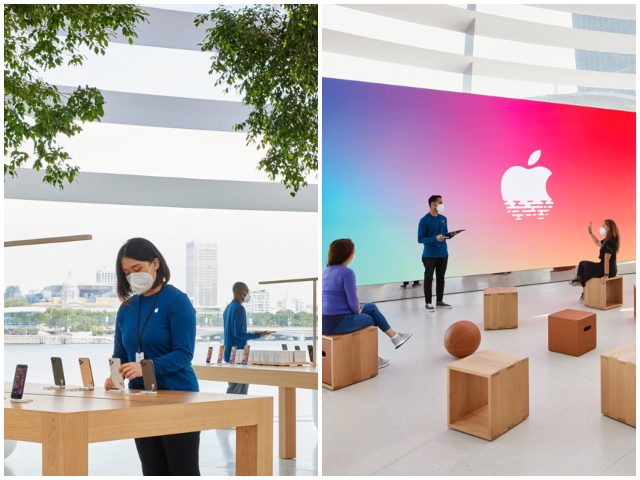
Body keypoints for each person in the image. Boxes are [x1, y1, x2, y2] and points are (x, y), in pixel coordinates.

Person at [105, 237, 200, 476]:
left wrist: (145, 367)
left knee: (183, 470)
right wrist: (115, 376)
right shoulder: (126, 308)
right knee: (152, 471)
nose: (131, 276)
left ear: (155, 263)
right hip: (141, 400)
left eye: (136, 269)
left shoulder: (177, 301)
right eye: (126, 272)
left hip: (179, 397)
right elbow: (120, 353)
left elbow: (184, 355)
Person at [322, 238, 413, 368]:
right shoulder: (347, 272)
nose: (354, 254)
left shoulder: (326, 270)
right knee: (371, 318)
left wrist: (357, 309)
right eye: (353, 251)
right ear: (347, 253)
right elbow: (353, 301)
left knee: (370, 306)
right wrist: (357, 311)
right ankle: (373, 358)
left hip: (325, 321)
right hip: (338, 322)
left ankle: (395, 336)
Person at [223, 282, 269, 394]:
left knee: (235, 387)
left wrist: (250, 333)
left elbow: (234, 331)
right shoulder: (239, 309)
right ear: (241, 292)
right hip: (238, 355)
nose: (248, 294)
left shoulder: (227, 308)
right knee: (238, 391)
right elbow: (238, 333)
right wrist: (258, 335)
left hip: (229, 353)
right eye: (247, 291)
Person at [418, 195, 460, 312]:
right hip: (429, 255)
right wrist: (435, 238)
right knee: (428, 278)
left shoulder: (443, 218)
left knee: (441, 278)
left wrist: (451, 234)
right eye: (440, 202)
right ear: (433, 204)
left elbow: (444, 234)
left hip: (443, 253)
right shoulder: (424, 220)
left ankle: (440, 301)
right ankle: (428, 303)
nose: (442, 205)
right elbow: (420, 239)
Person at [570, 220, 620, 300]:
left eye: (603, 225)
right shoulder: (608, 240)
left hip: (609, 269)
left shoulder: (610, 241)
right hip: (604, 266)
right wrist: (590, 232)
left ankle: (580, 282)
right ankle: (585, 291)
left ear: (608, 228)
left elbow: (607, 260)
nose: (602, 227)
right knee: (586, 268)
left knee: (583, 264)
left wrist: (606, 276)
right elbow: (597, 242)